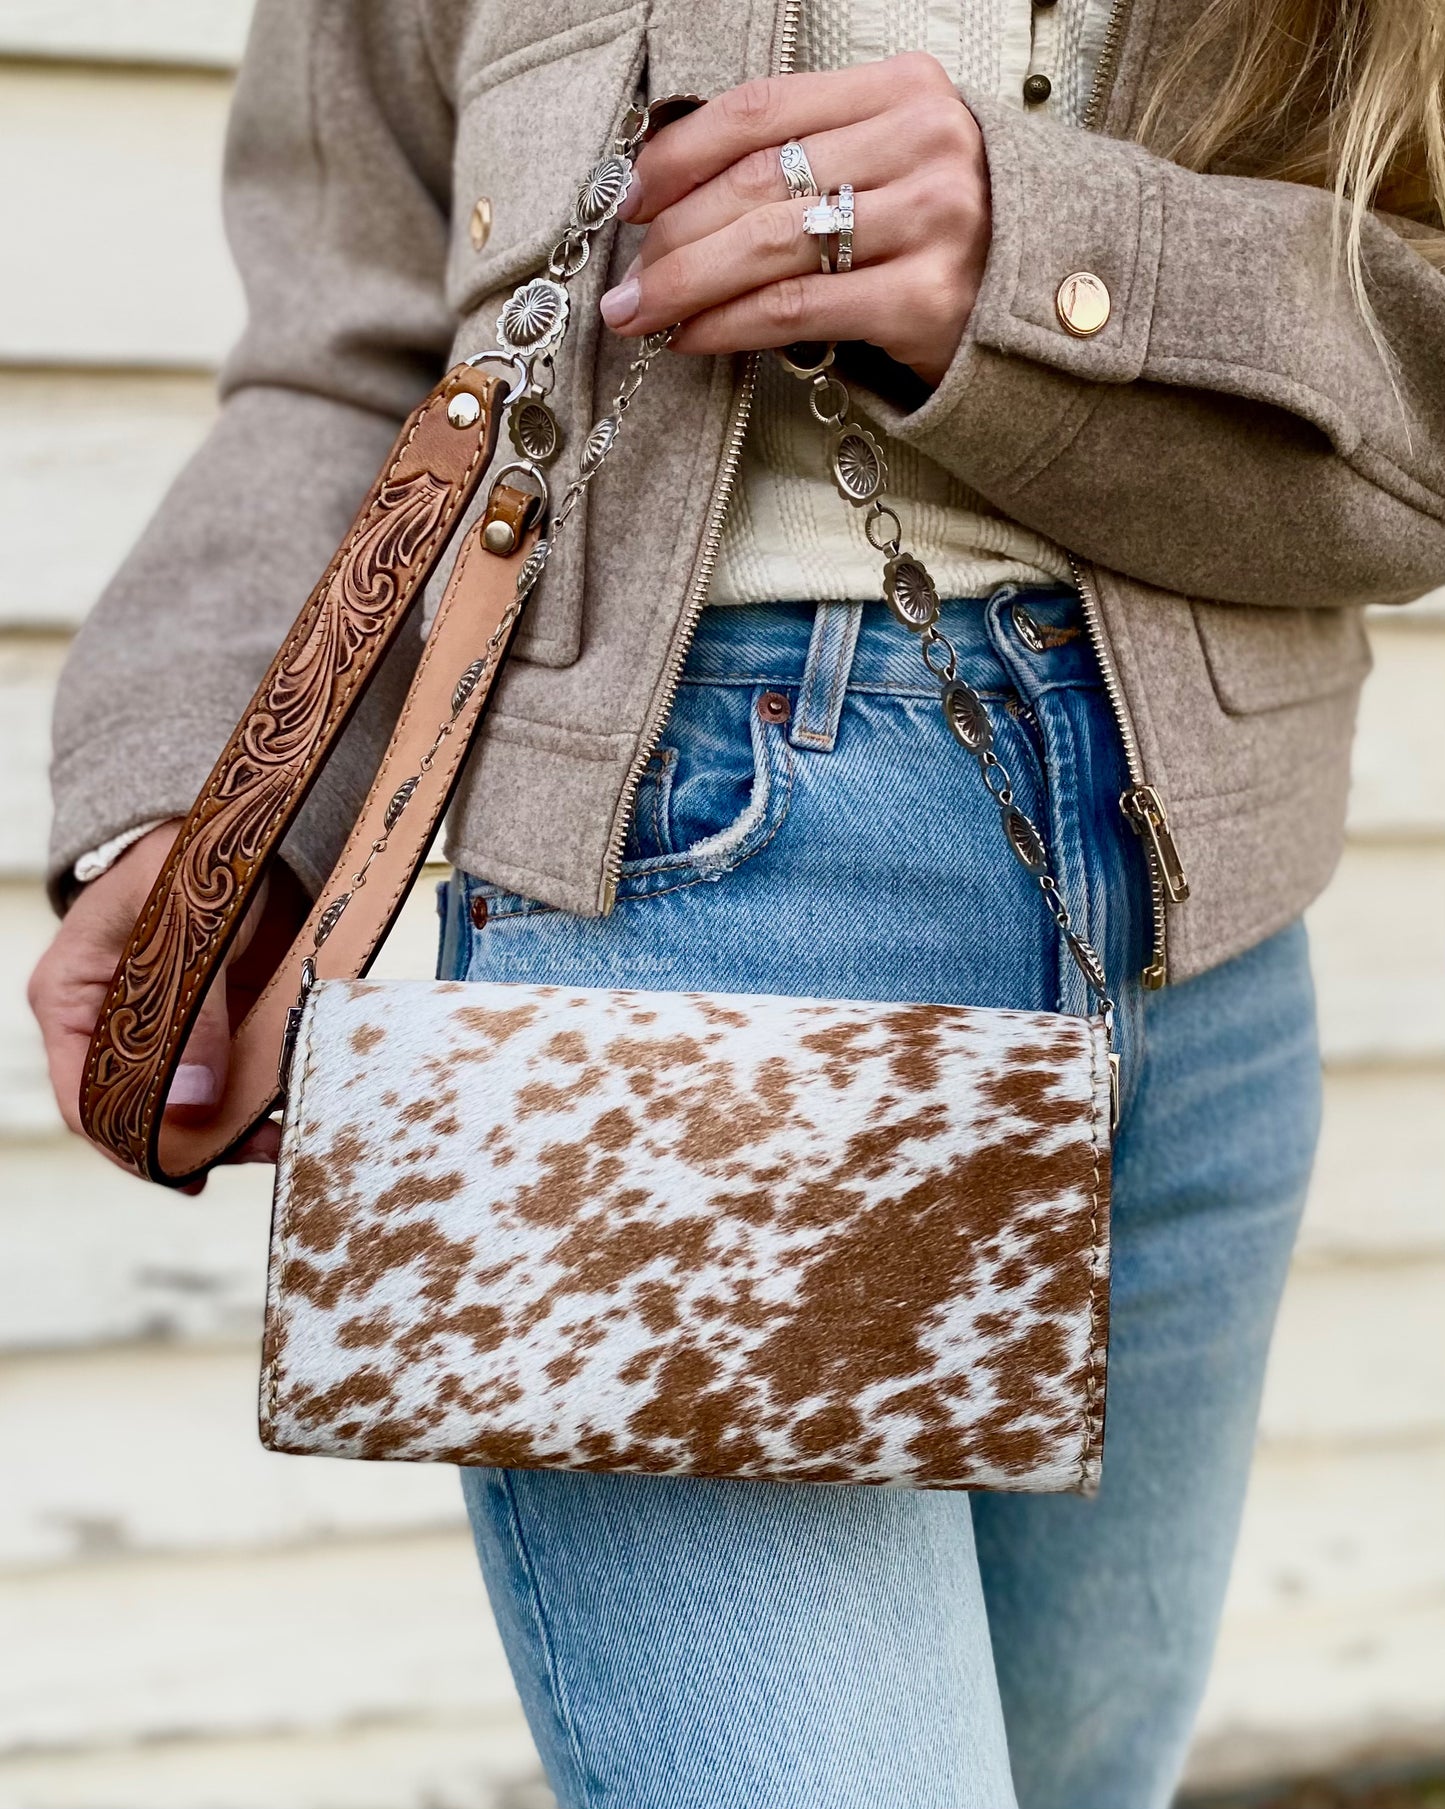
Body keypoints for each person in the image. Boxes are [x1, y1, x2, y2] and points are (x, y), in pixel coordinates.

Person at [28, 3, 1445, 1804]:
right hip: (679, 920)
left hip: (1202, 939)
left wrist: (1049, 255)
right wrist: (209, 811)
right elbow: (352, 352)